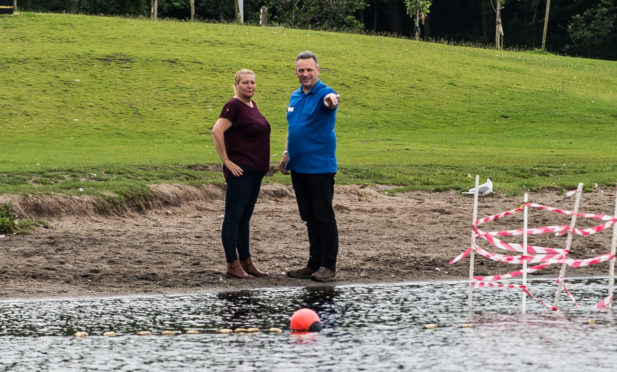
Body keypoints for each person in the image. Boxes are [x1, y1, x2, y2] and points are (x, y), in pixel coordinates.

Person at [279, 51, 341, 282]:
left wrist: (332, 102)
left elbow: (331, 102)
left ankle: (328, 265)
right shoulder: (295, 96)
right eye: (301, 70)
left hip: (320, 167)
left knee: (323, 215)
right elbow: (293, 128)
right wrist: (286, 153)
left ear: (318, 70)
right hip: (299, 166)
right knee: (310, 217)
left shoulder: (324, 93)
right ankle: (313, 263)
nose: (305, 74)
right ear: (296, 72)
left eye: (309, 69)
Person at [212, 69, 270, 279]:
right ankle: (232, 263)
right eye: (245, 82)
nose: (250, 86)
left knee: (244, 218)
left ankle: (246, 262)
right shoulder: (234, 105)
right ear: (236, 84)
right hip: (241, 172)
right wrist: (226, 160)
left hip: (255, 172)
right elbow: (217, 131)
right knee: (233, 217)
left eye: (253, 82)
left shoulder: (252, 106)